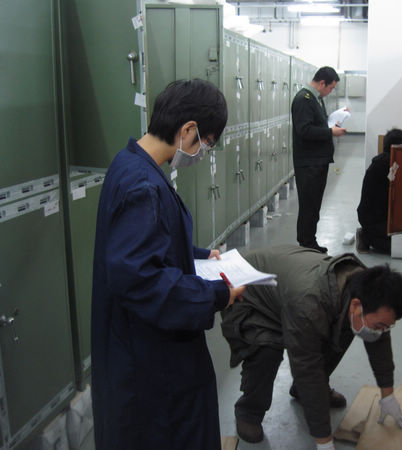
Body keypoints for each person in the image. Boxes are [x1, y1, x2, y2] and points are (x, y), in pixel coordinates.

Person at [91, 79, 246, 450]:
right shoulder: (143, 186)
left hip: (137, 345)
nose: (203, 152)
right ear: (188, 130)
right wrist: (217, 294)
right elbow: (141, 280)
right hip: (149, 361)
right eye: (207, 142)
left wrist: (197, 255)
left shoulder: (130, 163)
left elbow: (147, 246)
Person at [221, 245, 402, 449]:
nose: (381, 331)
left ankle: (303, 393)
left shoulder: (368, 290)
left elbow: (379, 340)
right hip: (246, 291)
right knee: (267, 350)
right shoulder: (309, 305)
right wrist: (324, 442)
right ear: (356, 305)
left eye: (386, 326)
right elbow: (307, 369)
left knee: (345, 328)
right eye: (380, 326)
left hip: (286, 294)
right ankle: (249, 411)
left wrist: (387, 396)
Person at [291, 66, 347, 253]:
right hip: (309, 163)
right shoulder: (304, 99)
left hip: (317, 161)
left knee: (314, 204)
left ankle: (310, 240)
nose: (331, 91)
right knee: (309, 205)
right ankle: (306, 244)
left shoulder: (315, 98)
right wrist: (331, 132)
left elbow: (317, 123)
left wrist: (334, 121)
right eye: (331, 87)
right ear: (322, 83)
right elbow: (304, 130)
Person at [356, 128, 402, 254]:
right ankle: (366, 236)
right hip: (374, 219)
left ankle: (370, 234)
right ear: (396, 146)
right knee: (398, 248)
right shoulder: (387, 164)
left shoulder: (386, 159)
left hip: (376, 215)